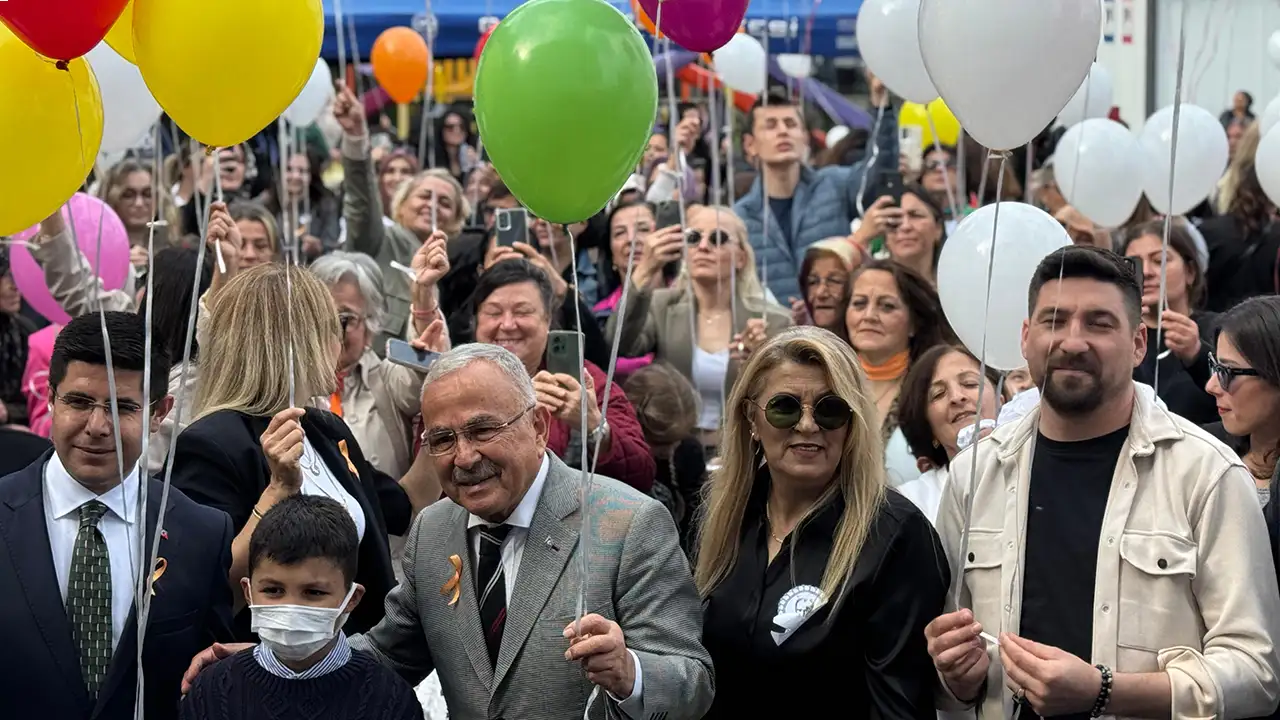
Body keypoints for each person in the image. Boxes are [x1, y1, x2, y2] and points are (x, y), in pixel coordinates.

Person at [183, 343, 714, 720]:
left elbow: (693, 686)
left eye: (483, 429)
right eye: (441, 439)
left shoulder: (629, 522)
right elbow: (389, 656)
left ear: (536, 427)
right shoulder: (435, 529)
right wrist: (270, 662)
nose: (464, 457)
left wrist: (629, 672)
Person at [926, 246, 1280, 719]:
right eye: (1054, 320)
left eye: (1099, 322)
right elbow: (954, 671)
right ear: (1026, 337)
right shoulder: (974, 475)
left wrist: (1105, 690)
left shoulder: (1208, 475)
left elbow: (1256, 673)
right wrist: (955, 676)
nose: (1073, 341)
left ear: (1138, 343)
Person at [170, 264, 438, 638]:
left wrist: (439, 421)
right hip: (266, 671)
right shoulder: (213, 443)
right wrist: (277, 491)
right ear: (294, 342)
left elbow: (407, 505)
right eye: (333, 326)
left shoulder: (324, 429)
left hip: (357, 662)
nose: (341, 341)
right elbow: (207, 590)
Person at [696, 326, 948, 718]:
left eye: (830, 409)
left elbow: (900, 707)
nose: (808, 425)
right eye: (785, 407)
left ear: (852, 423)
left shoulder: (897, 535)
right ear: (751, 418)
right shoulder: (723, 520)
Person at [0, 311, 233, 720]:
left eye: (122, 407)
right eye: (79, 402)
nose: (97, 426)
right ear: (51, 397)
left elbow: (215, 681)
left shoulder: (201, 535)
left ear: (160, 412)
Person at [180, 495, 423, 720]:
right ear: (249, 592)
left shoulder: (389, 700)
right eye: (273, 590)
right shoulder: (212, 692)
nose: (291, 607)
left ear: (352, 598)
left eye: (313, 593)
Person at [735, 82, 897, 301]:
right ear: (750, 144)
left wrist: (881, 105)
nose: (783, 131)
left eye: (791, 124)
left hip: (832, 331)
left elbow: (877, 172)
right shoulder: (740, 218)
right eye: (770, 125)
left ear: (805, 138)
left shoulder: (834, 183)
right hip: (775, 333)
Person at [895, 344, 1002, 522]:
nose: (957, 397)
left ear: (1002, 401)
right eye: (938, 394)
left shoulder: (1033, 469)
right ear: (928, 428)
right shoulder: (910, 502)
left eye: (970, 383)